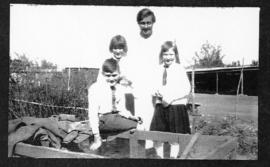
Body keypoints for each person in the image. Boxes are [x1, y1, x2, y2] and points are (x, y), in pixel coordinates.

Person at [87, 58, 141, 151]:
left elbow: (121, 110)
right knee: (138, 126)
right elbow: (92, 114)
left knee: (139, 122)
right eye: (108, 76)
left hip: (115, 119)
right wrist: (96, 137)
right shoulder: (95, 88)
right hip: (103, 120)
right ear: (103, 74)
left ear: (119, 74)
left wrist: (131, 117)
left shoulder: (119, 88)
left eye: (114, 75)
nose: (111, 79)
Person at [150, 41, 191, 158]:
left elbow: (186, 88)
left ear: (175, 55)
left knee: (174, 139)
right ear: (161, 55)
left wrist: (171, 98)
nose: (168, 57)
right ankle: (160, 159)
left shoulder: (179, 69)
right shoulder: (157, 69)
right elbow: (152, 85)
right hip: (160, 106)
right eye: (165, 54)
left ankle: (173, 160)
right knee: (157, 137)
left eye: (171, 55)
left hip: (175, 107)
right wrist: (154, 91)